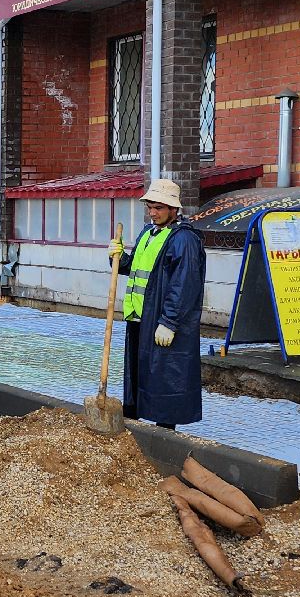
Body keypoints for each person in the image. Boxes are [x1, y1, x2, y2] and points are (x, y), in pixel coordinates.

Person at [107, 178, 205, 430]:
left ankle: (165, 431)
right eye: (150, 207)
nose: (153, 212)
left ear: (174, 209)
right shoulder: (148, 233)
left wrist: (169, 322)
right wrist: (119, 257)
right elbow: (135, 269)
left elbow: (183, 285)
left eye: (159, 207)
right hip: (140, 317)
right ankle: (134, 420)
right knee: (140, 371)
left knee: (165, 374)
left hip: (161, 320)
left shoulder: (184, 240)